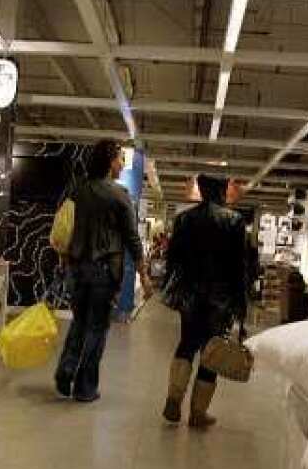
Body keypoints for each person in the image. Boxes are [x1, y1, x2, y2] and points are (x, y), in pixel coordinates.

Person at [54, 140, 152, 403]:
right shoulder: (119, 195)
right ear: (110, 161)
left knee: (79, 320)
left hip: (76, 268)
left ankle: (65, 369)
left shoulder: (77, 191)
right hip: (105, 270)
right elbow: (132, 238)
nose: (122, 164)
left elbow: (65, 228)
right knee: (97, 327)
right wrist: (143, 273)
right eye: (120, 158)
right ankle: (85, 387)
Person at [161, 174, 250, 428]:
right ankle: (198, 412)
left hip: (189, 294)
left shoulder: (184, 219)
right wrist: (240, 302)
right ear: (222, 191)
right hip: (220, 298)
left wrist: (172, 290)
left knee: (186, 343)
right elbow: (239, 266)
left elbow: (173, 260)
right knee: (213, 352)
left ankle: (174, 398)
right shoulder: (234, 221)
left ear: (201, 190)